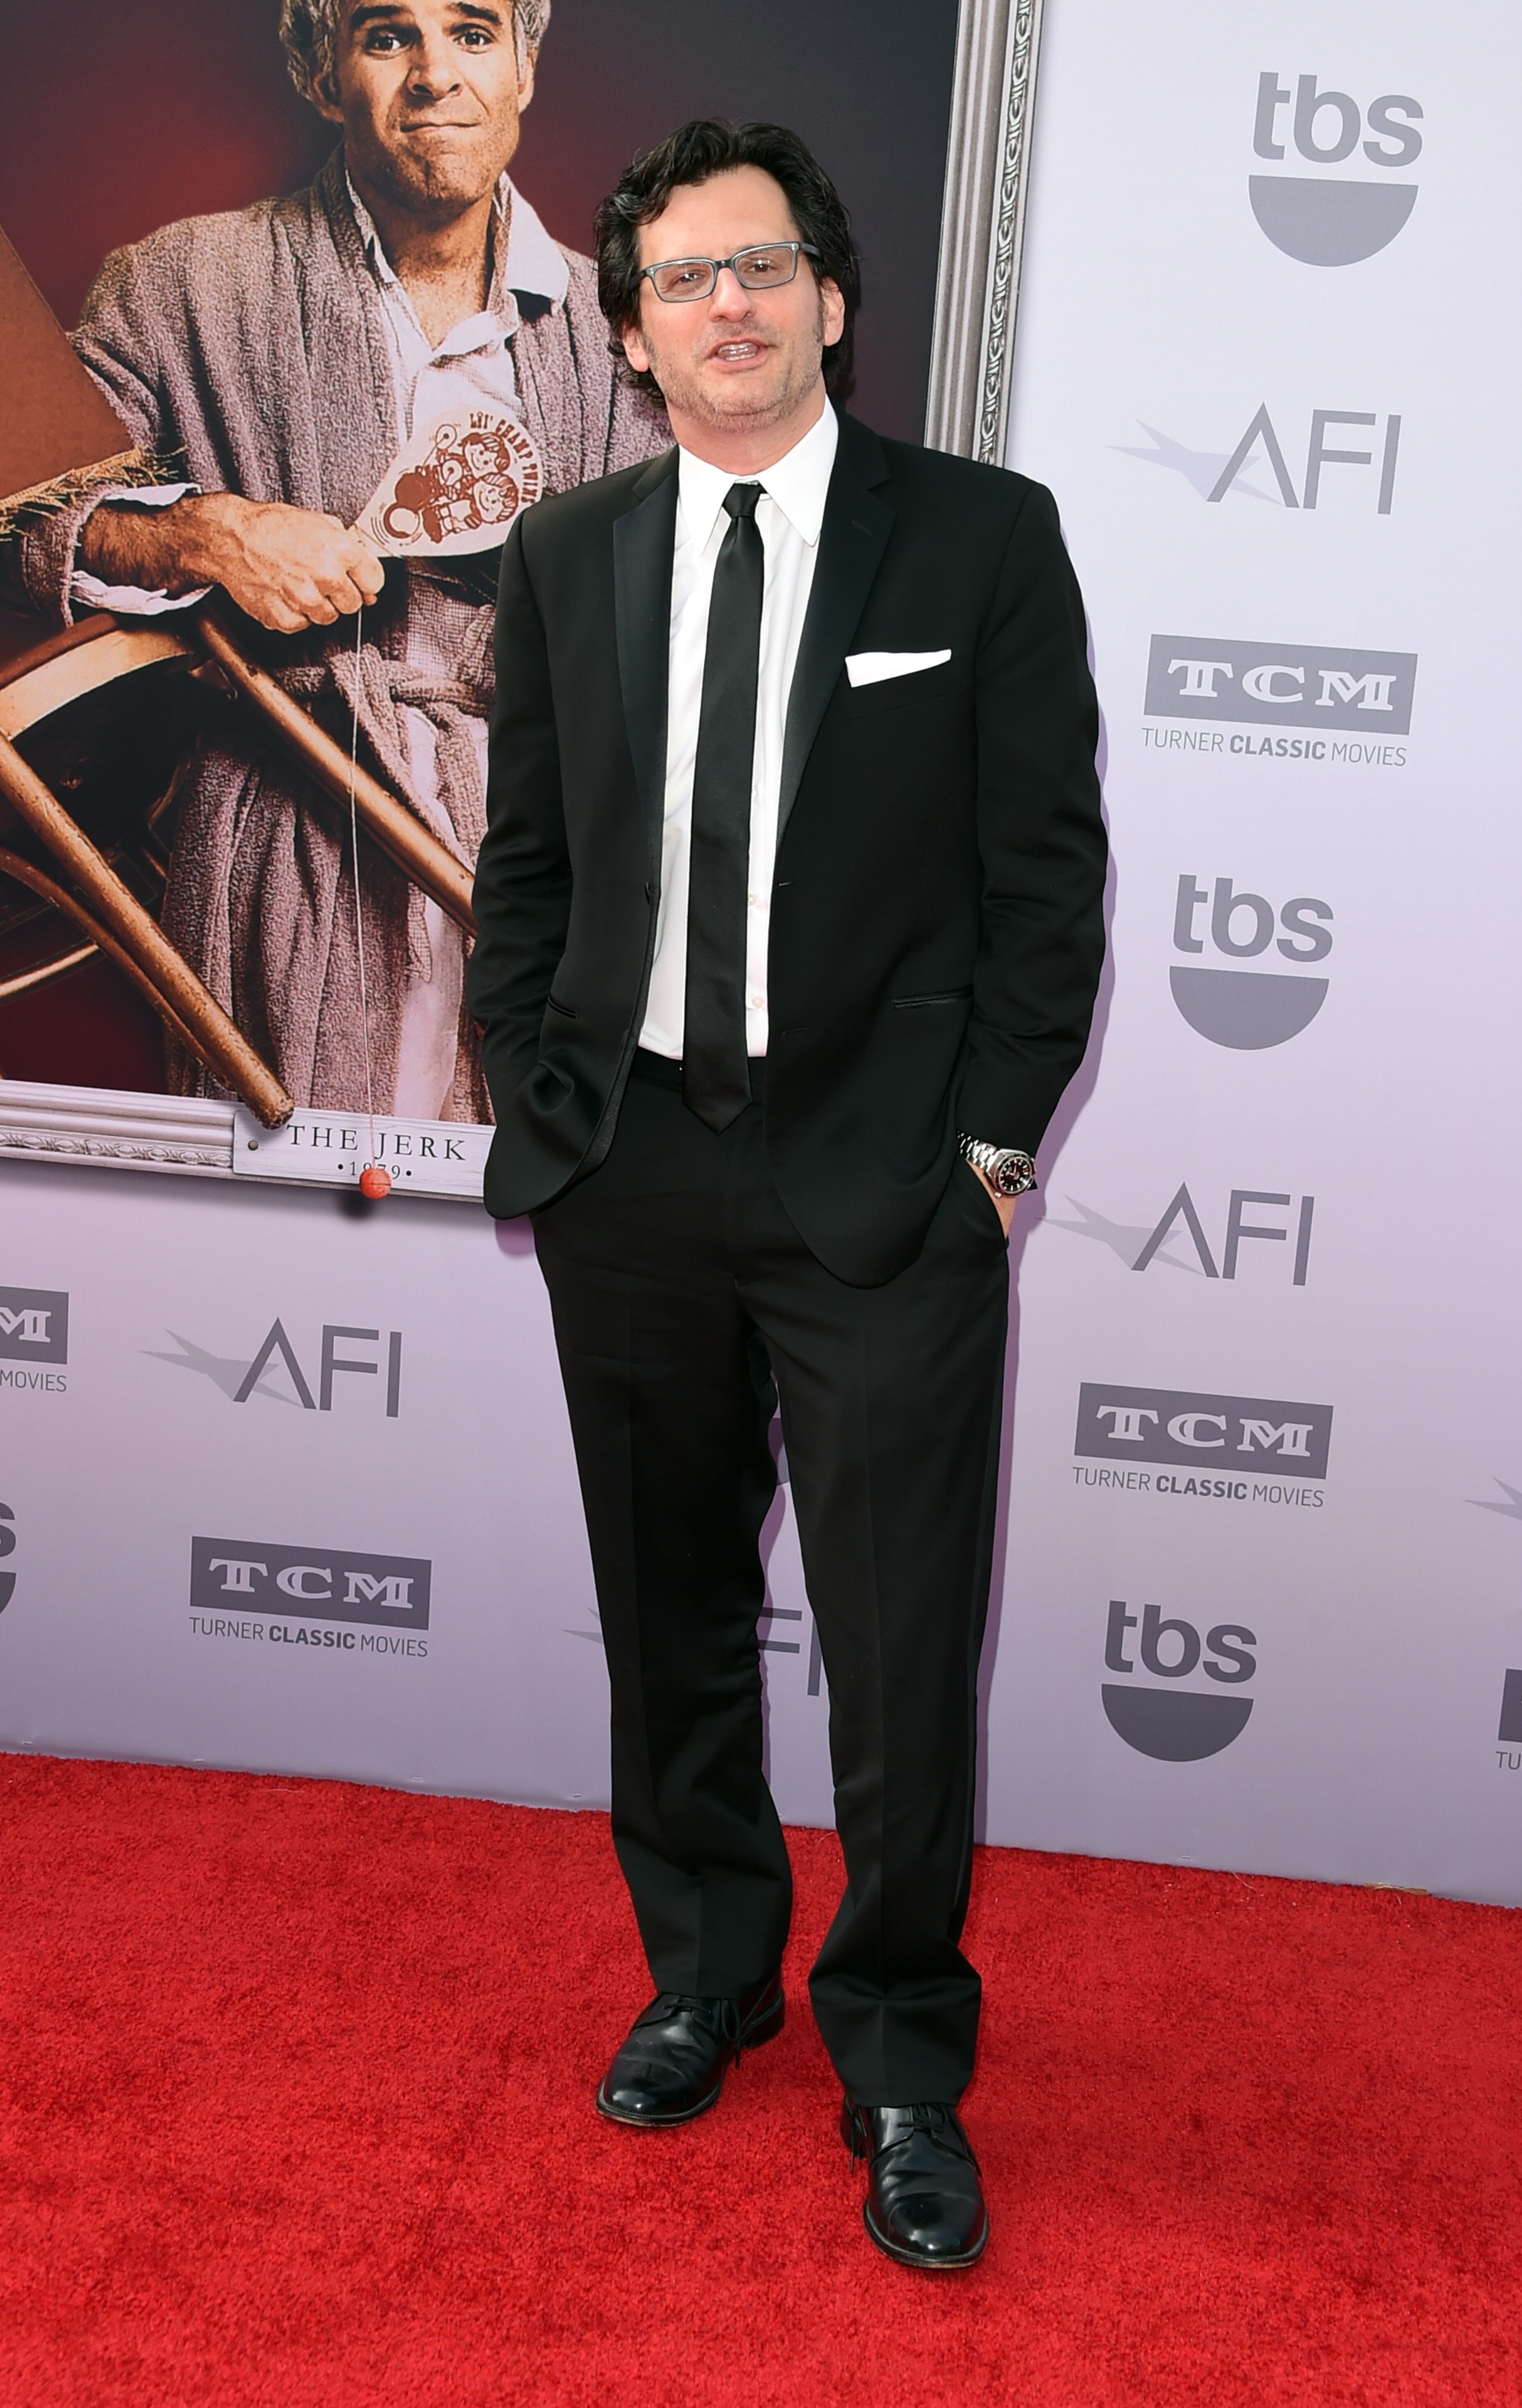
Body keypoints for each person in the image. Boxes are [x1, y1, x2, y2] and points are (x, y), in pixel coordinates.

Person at [468, 118, 1106, 2268]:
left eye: (765, 268)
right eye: (680, 282)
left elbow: (1046, 878)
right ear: (634, 338)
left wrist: (992, 1144)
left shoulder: (982, 543)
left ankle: (904, 2053)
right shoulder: (567, 553)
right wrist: (532, 1094)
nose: (726, 307)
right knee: (666, 1615)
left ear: (835, 298)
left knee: (902, 1644)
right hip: (629, 1163)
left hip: (884, 1187)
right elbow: (529, 861)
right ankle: (712, 1964)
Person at [1, 0, 666, 1117]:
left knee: (539, 1260)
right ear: (320, 74)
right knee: (301, 1245)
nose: (435, 75)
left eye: (471, 31)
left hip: (550, 871)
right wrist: (200, 532)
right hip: (289, 846)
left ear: (524, 70)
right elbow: (23, 517)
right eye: (385, 35)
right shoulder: (183, 285)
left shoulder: (622, 332)